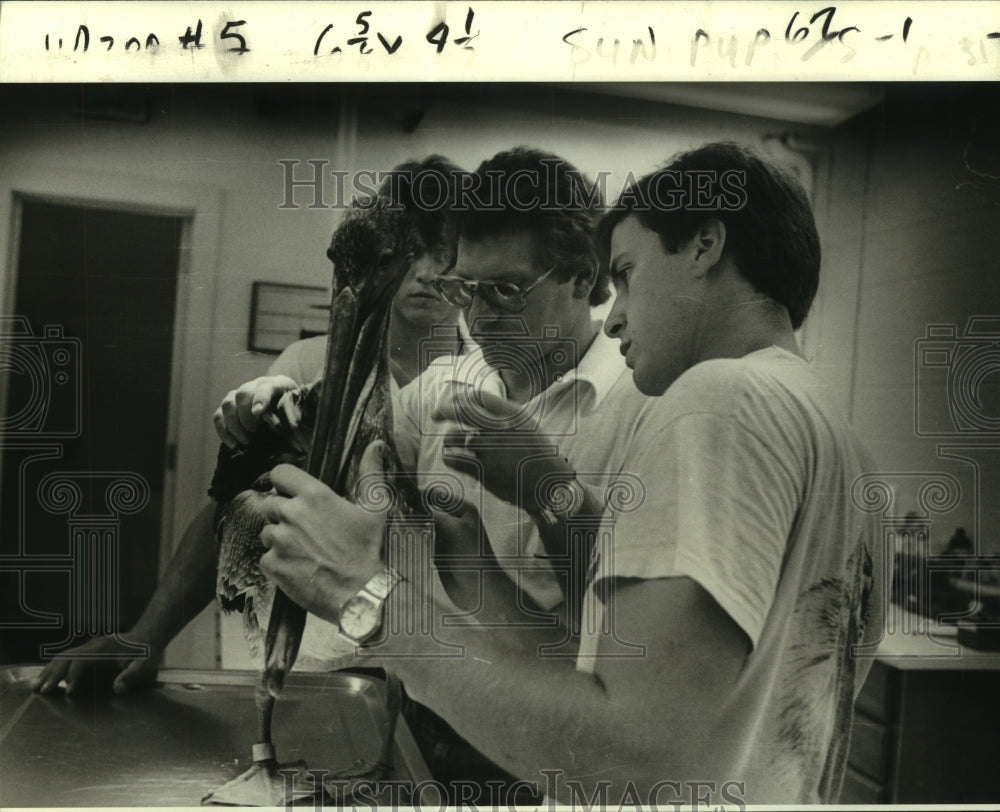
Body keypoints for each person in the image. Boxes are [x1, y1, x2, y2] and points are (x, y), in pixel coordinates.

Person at [251, 142, 884, 805]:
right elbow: (618, 679)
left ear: (704, 245)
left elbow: (633, 759)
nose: (614, 316)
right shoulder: (845, 450)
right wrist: (472, 566)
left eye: (631, 273)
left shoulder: (720, 398)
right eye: (466, 290)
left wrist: (365, 595)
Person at [31, 155, 468, 695]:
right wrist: (145, 636)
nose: (428, 271)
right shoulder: (308, 366)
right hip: (313, 665)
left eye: (446, 254)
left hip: (440, 672)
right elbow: (234, 510)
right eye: (414, 250)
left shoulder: (499, 386)